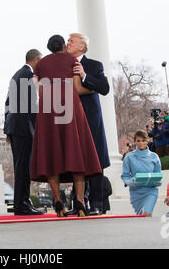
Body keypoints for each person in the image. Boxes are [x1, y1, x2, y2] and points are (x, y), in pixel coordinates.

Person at [30, 35, 102, 217]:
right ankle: (79, 202)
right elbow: (77, 88)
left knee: (51, 154)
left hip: (48, 106)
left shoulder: (41, 64)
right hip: (69, 104)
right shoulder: (72, 60)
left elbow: (39, 90)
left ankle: (58, 202)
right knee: (76, 150)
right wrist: (92, 89)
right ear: (63, 45)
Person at [66, 33, 112, 216]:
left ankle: (96, 204)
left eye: (71, 41)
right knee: (75, 161)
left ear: (81, 47)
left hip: (91, 120)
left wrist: (84, 76)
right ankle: (78, 204)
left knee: (95, 160)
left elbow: (105, 88)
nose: (67, 43)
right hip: (69, 119)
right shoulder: (63, 64)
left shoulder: (94, 65)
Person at [4, 49, 44, 215]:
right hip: (24, 127)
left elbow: (7, 103)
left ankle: (22, 203)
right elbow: (31, 106)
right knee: (24, 167)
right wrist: (37, 128)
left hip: (14, 126)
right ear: (35, 60)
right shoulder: (28, 76)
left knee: (20, 166)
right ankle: (22, 205)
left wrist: (7, 128)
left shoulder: (16, 75)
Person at [121, 130, 162, 217]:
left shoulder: (154, 156)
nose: (141, 143)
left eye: (143, 140)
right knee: (142, 218)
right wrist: (132, 182)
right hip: (136, 193)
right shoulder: (129, 157)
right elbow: (125, 176)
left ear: (147, 141)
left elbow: (158, 175)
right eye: (138, 141)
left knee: (147, 213)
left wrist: (157, 182)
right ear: (135, 141)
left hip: (151, 191)